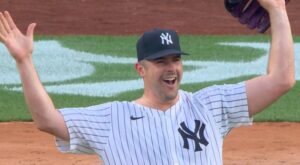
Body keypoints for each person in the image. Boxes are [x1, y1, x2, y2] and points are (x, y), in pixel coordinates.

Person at [0, 0, 295, 164]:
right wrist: (24, 61)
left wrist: (278, 9)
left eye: (175, 60)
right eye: (161, 61)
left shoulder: (209, 105)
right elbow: (47, 119)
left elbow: (281, 79)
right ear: (140, 69)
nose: (172, 68)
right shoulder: (111, 119)